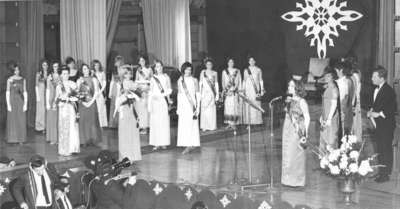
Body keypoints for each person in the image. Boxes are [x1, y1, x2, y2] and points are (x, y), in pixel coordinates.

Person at [368, 66, 397, 183]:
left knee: (385, 149)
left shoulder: (389, 90)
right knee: (380, 148)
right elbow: (378, 105)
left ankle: (385, 175)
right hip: (379, 125)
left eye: (374, 76)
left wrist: (378, 114)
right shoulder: (377, 89)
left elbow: (391, 109)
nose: (371, 78)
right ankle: (381, 172)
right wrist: (371, 111)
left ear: (381, 78)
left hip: (386, 125)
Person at [281, 79, 310, 187]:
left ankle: (297, 181)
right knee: (287, 153)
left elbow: (307, 117)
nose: (289, 88)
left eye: (292, 86)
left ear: (298, 88)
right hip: (287, 128)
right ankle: (287, 180)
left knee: (296, 154)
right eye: (289, 86)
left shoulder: (302, 101)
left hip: (296, 130)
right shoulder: (289, 100)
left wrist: (305, 134)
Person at [116, 65, 142, 162]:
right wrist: (125, 96)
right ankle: (125, 156)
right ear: (123, 74)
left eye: (130, 73)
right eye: (126, 73)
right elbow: (118, 98)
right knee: (124, 132)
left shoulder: (134, 84)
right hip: (124, 109)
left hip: (132, 109)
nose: (129, 75)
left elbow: (140, 93)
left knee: (133, 131)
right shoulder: (120, 84)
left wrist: (136, 95)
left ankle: (133, 156)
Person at [177, 62, 201, 155]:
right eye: (187, 69)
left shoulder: (195, 80)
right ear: (183, 70)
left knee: (192, 125)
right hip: (183, 106)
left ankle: (191, 144)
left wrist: (198, 107)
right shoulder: (180, 80)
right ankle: (186, 143)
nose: (188, 71)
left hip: (192, 106)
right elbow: (179, 95)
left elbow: (198, 94)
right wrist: (179, 108)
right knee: (184, 125)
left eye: (190, 69)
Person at [56, 66, 80, 156]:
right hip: (63, 109)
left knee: (73, 127)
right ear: (61, 75)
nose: (65, 75)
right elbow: (57, 98)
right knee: (64, 128)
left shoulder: (73, 84)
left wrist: (73, 98)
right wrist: (61, 101)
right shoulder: (59, 86)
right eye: (64, 74)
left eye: (67, 73)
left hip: (71, 108)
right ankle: (64, 149)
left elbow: (77, 96)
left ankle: (73, 148)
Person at [148, 60, 171, 150]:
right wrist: (151, 102)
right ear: (155, 68)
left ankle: (163, 142)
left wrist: (168, 100)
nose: (159, 68)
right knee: (155, 122)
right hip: (155, 101)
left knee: (164, 121)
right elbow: (151, 91)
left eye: (160, 66)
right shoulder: (153, 78)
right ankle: (156, 143)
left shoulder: (166, 77)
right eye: (157, 66)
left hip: (163, 101)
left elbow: (169, 90)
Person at [77, 64, 102, 146]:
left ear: (89, 69)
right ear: (82, 70)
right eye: (84, 69)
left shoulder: (94, 79)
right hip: (82, 104)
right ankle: (84, 140)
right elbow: (77, 93)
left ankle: (93, 140)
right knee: (83, 121)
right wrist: (84, 102)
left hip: (92, 103)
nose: (85, 70)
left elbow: (96, 92)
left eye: (87, 69)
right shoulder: (79, 80)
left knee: (92, 122)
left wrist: (90, 102)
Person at [6, 63, 27, 144]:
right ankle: (13, 138)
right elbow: (7, 92)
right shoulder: (9, 79)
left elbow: (25, 92)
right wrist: (8, 104)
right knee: (13, 119)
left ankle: (21, 139)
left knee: (21, 119)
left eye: (18, 69)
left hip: (20, 101)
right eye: (15, 70)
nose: (17, 71)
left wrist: (25, 103)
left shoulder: (23, 79)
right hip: (12, 101)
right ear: (13, 71)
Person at [319, 67, 340, 152]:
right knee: (324, 137)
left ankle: (331, 161)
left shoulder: (334, 88)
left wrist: (329, 118)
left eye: (328, 76)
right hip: (325, 115)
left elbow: (334, 105)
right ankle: (324, 160)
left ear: (333, 77)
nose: (326, 78)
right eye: (325, 76)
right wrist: (322, 116)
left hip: (331, 116)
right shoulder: (328, 87)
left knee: (330, 139)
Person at [242, 56, 264, 125]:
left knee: (256, 104)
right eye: (250, 61)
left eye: (253, 60)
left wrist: (262, 89)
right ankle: (249, 122)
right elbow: (244, 81)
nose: (251, 62)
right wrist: (243, 90)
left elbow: (260, 80)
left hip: (256, 90)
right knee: (249, 104)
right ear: (248, 62)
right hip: (248, 89)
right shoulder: (246, 70)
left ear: (255, 61)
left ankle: (257, 122)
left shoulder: (258, 70)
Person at [221, 58, 242, 130]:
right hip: (227, 92)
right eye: (229, 62)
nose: (231, 63)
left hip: (234, 91)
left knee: (234, 107)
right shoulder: (224, 71)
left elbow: (239, 81)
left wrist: (235, 89)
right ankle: (229, 123)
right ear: (227, 63)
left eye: (232, 62)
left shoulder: (237, 71)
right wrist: (226, 91)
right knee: (228, 107)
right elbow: (223, 82)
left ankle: (234, 123)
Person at [334, 61, 352, 138]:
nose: (335, 73)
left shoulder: (341, 83)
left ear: (340, 70)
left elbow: (341, 98)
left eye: (336, 71)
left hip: (340, 109)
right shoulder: (346, 81)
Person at [199, 58, 219, 131]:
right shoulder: (203, 72)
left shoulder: (215, 73)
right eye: (207, 64)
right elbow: (200, 83)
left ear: (212, 65)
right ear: (205, 65)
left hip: (212, 93)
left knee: (211, 109)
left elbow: (216, 84)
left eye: (210, 64)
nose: (209, 65)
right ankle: (204, 126)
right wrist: (200, 94)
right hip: (204, 92)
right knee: (204, 109)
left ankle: (211, 126)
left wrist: (217, 95)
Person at [135, 56, 152, 134]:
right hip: (140, 90)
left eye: (143, 60)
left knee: (146, 109)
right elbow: (136, 81)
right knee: (140, 109)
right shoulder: (138, 70)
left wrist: (147, 88)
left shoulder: (149, 69)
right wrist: (139, 89)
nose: (142, 62)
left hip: (147, 90)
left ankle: (146, 127)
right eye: (140, 61)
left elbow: (152, 80)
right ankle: (141, 126)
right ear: (139, 62)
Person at [46, 61, 60, 145]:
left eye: (57, 66)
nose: (56, 68)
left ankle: (58, 138)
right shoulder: (49, 77)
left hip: (58, 99)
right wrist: (47, 102)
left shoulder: (61, 76)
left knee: (58, 119)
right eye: (54, 66)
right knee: (52, 119)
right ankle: (52, 138)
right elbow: (47, 90)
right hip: (51, 99)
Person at [108, 55, 124, 128]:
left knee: (119, 105)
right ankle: (113, 124)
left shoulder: (124, 69)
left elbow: (124, 80)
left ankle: (120, 123)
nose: (117, 62)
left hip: (121, 88)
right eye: (116, 61)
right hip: (114, 88)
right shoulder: (114, 70)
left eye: (118, 61)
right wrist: (110, 92)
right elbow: (112, 81)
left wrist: (121, 84)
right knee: (113, 106)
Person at [92, 60, 108, 128]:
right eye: (95, 65)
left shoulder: (102, 73)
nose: (97, 67)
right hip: (94, 93)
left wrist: (100, 92)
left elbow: (104, 84)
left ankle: (102, 124)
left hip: (100, 93)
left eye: (98, 65)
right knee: (95, 109)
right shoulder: (92, 74)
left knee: (101, 108)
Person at [36, 59, 48, 133]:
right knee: (41, 110)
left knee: (47, 110)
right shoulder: (38, 74)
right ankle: (40, 127)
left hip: (48, 93)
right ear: (41, 66)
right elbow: (36, 85)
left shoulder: (50, 73)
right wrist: (37, 96)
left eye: (46, 65)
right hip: (40, 93)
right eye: (43, 65)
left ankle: (47, 127)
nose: (45, 66)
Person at [351, 69, 362, 141]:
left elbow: (354, 92)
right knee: (356, 124)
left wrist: (352, 105)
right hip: (356, 101)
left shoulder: (354, 76)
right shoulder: (357, 73)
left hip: (354, 102)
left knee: (354, 125)